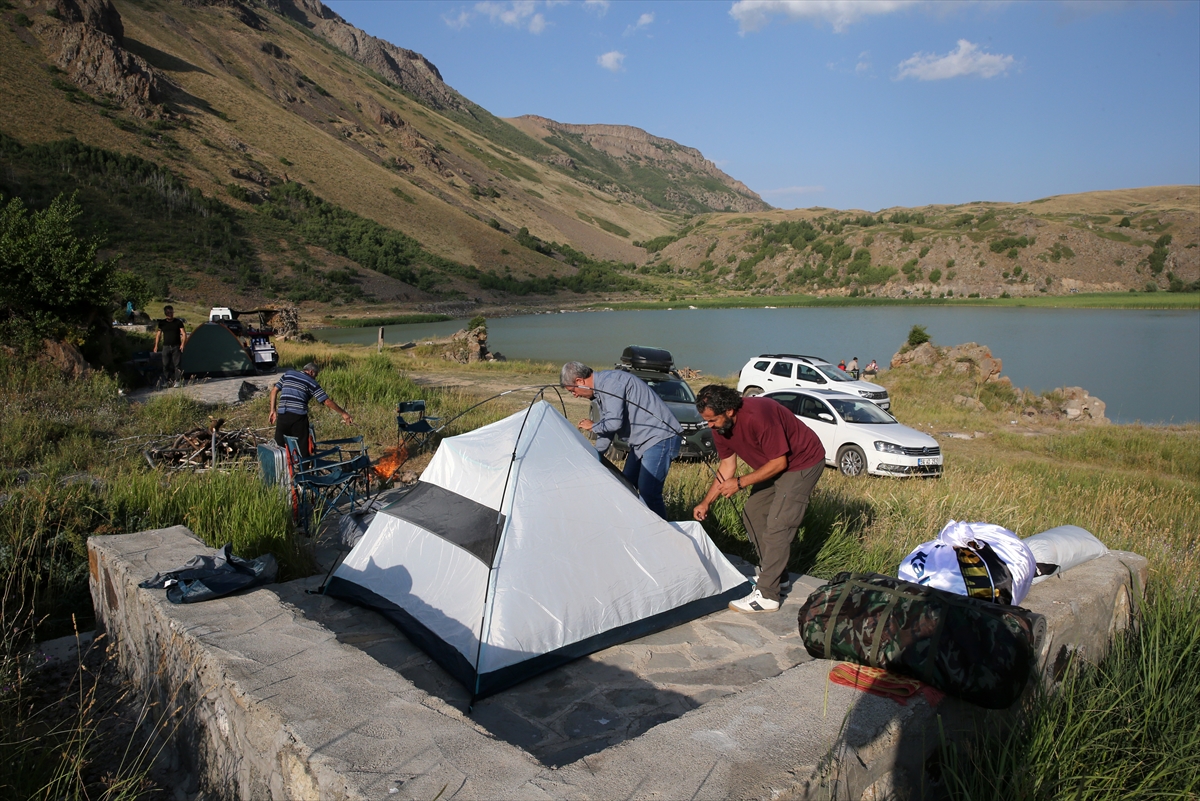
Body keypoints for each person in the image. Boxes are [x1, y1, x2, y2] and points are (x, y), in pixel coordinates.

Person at [693, 385, 824, 613]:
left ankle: (767, 595)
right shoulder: (720, 428)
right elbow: (727, 466)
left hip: (802, 463)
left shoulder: (759, 416)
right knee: (753, 514)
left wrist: (741, 483)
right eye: (707, 420)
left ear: (730, 411)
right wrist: (707, 502)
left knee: (778, 526)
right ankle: (777, 576)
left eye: (712, 420)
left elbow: (780, 463)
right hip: (771, 465)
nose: (709, 426)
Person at [561, 361, 682, 520]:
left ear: (579, 381)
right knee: (626, 486)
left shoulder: (611, 383)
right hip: (640, 442)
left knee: (648, 491)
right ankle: (632, 524)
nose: (574, 395)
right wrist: (596, 455)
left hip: (659, 437)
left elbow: (613, 422)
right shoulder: (600, 391)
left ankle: (662, 535)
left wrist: (593, 426)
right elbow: (609, 429)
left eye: (572, 391)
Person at [269, 362, 354, 458]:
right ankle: (304, 470)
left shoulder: (288, 374)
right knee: (303, 446)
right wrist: (344, 413)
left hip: (282, 415)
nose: (315, 378)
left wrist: (273, 410)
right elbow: (326, 401)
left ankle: (281, 469)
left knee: (280, 446)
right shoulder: (311, 382)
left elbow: (274, 391)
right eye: (316, 375)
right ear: (311, 372)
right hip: (298, 417)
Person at [152, 305, 188, 388]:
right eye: (168, 313)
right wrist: (156, 345)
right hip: (166, 346)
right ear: (165, 313)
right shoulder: (162, 323)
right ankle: (167, 381)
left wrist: (183, 344)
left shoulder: (178, 322)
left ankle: (178, 381)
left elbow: (183, 333)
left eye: (171, 312)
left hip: (176, 346)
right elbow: (158, 335)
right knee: (165, 365)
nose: (170, 314)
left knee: (177, 365)